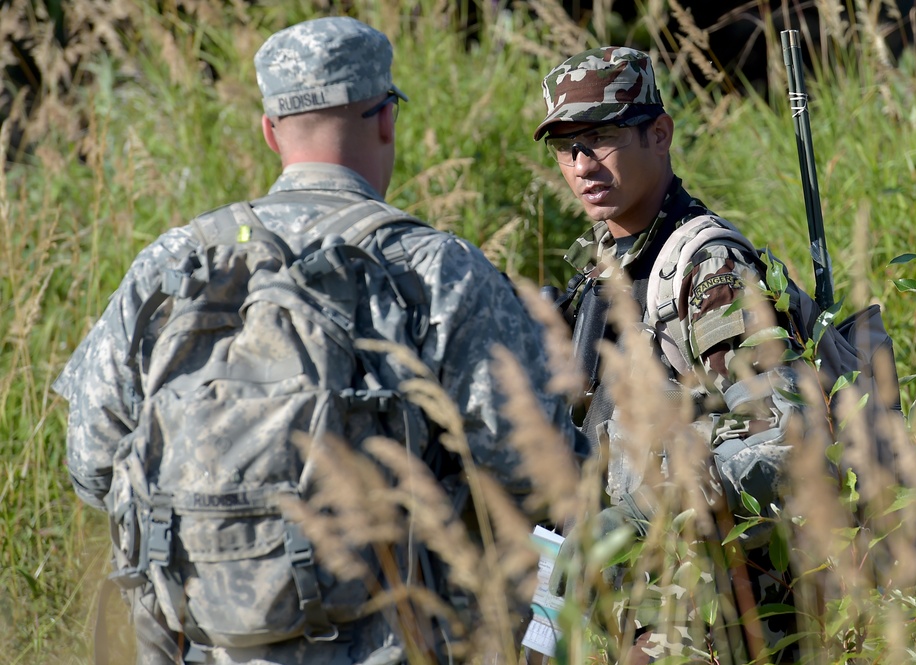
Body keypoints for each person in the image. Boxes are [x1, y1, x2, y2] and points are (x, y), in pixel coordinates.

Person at [54, 16, 584, 665]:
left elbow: (91, 465)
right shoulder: (434, 269)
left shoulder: (169, 264)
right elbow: (533, 473)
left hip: (202, 643)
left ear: (271, 130)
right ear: (385, 119)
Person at [534, 47, 820, 664]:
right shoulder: (602, 270)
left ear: (658, 134)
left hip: (707, 612)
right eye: (565, 146)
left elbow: (780, 439)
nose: (582, 162)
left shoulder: (706, 266)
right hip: (621, 601)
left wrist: (637, 515)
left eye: (602, 136)